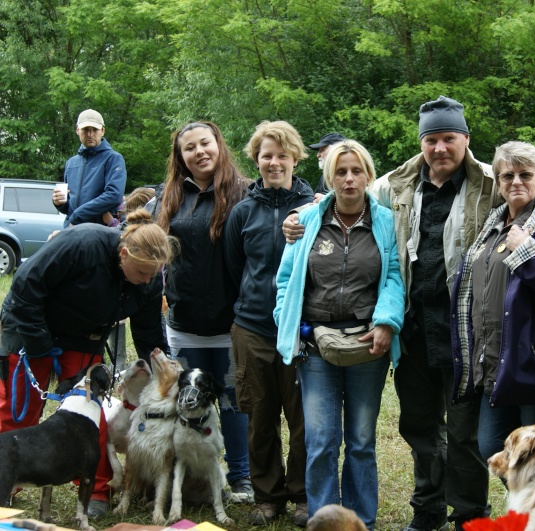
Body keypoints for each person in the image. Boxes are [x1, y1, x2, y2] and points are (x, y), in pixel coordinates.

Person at [283, 96, 535, 531]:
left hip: (467, 332)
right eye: (432, 140)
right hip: (414, 327)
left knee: (464, 431)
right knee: (419, 424)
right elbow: (347, 192)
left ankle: (468, 514)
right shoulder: (398, 183)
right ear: (422, 142)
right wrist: (299, 213)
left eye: (449, 139)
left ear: (465, 140)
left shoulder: (489, 180)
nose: (440, 148)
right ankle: (427, 509)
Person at [0, 209, 172, 516]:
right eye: (142, 273)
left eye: (153, 274)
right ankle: (7, 480)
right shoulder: (79, 243)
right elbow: (26, 288)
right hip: (30, 325)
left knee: (92, 416)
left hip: (83, 336)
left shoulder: (150, 279)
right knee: (19, 410)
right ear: (123, 254)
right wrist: (40, 347)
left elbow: (148, 332)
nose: (147, 281)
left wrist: (160, 371)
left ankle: (95, 490)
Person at [274, 139, 404, 530]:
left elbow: (394, 276)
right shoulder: (307, 220)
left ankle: (361, 521)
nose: (349, 179)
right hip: (317, 348)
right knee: (321, 442)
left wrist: (386, 322)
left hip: (369, 343)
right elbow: (286, 280)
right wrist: (288, 321)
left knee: (362, 441)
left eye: (356, 171)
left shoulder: (385, 221)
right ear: (329, 177)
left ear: (368, 174)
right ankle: (325, 522)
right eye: (341, 172)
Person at [451, 141, 535, 463]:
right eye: (507, 176)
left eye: (525, 174)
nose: (516, 182)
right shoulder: (493, 225)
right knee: (493, 446)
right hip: (495, 361)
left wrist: (525, 250)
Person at [151, 121, 253, 502]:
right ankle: (191, 477)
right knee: (188, 402)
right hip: (184, 322)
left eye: (205, 143)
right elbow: (142, 238)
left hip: (232, 323)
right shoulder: (167, 196)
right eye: (189, 148)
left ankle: (240, 476)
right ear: (180, 157)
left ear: (218, 145)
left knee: (233, 402)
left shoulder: (245, 193)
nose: (199, 152)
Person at [225, 121, 315, 526]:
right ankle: (267, 496)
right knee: (259, 416)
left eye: (282, 155)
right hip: (252, 328)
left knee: (303, 419)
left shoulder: (317, 206)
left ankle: (302, 495)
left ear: (296, 157)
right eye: (266, 155)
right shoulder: (242, 211)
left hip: (300, 331)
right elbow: (233, 269)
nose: (274, 162)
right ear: (256, 160)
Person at [53, 109, 126, 227]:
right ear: (77, 130)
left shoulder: (113, 159)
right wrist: (59, 203)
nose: (90, 134)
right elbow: (69, 208)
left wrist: (77, 216)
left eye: (95, 130)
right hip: (72, 230)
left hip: (98, 232)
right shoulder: (71, 163)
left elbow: (114, 196)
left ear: (102, 131)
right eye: (86, 130)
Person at [309, 132, 347, 199]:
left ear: (336, 150)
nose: (318, 155)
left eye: (322, 150)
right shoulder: (325, 177)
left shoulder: (352, 175)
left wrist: (327, 200)